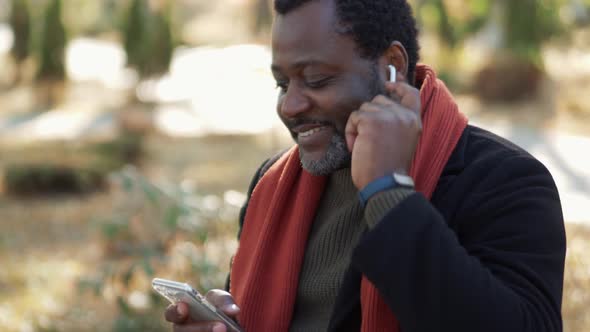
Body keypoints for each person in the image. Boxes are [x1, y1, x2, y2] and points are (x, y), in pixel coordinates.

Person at [165, 0, 566, 331]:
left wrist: (388, 191)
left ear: (391, 66)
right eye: (283, 85)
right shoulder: (272, 186)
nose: (290, 106)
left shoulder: (505, 181)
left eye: (317, 79)